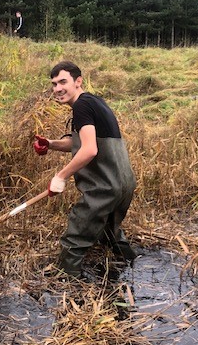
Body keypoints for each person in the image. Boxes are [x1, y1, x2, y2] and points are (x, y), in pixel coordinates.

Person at [33, 61, 137, 277]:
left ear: (78, 81)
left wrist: (60, 176)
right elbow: (80, 142)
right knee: (110, 233)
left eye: (63, 82)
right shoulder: (94, 102)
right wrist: (51, 144)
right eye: (54, 84)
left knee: (77, 234)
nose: (57, 89)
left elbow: (89, 150)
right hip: (124, 184)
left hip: (104, 187)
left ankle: (65, 281)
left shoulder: (81, 106)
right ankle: (134, 268)